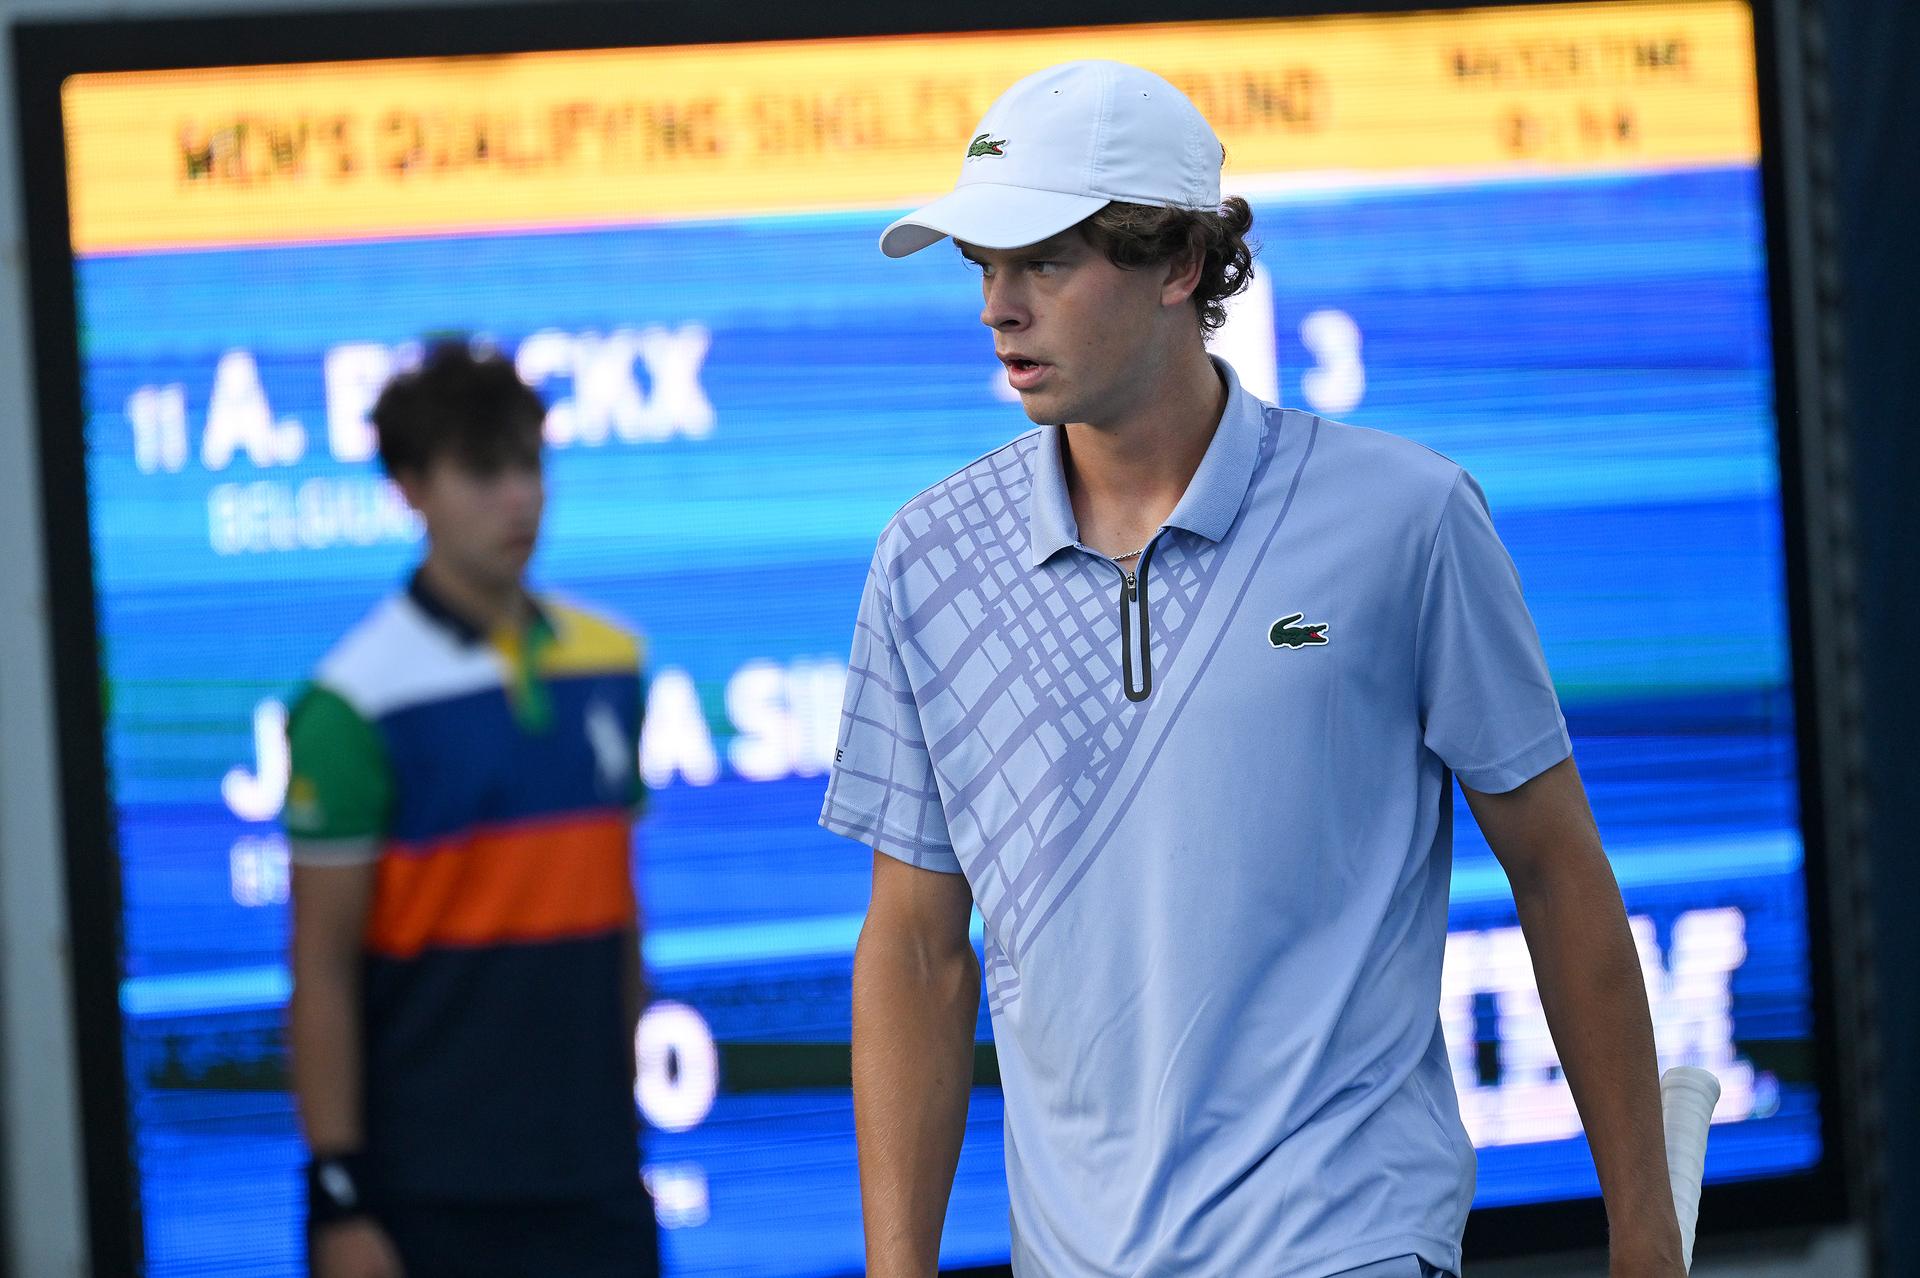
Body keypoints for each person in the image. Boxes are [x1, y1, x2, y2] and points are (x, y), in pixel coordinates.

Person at [820, 60, 1687, 1278]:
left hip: (1352, 1244)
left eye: (1045, 264)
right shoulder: (928, 560)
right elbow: (915, 945)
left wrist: (1645, 1232)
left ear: (1179, 265)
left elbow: (1555, 869)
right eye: (984, 268)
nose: (998, 309)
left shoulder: (1409, 517)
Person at [284, 340, 658, 1278]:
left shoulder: (611, 660)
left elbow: (619, 917)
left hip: (598, 1176)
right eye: (482, 472)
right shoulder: (352, 701)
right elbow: (320, 968)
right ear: (410, 486)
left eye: (529, 465)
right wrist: (339, 1195)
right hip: (430, 1194)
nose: (519, 498)